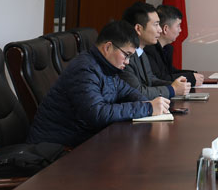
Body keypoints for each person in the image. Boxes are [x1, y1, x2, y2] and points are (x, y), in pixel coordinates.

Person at [28, 20, 169, 147]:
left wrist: (147, 103)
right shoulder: (84, 69)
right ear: (108, 47)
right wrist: (147, 108)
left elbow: (127, 91)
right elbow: (97, 113)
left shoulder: (107, 67)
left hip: (81, 139)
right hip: (56, 147)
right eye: (126, 55)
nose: (127, 62)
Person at [119, 2, 191, 98]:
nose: (160, 30)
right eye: (156, 25)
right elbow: (137, 93)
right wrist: (172, 89)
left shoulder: (141, 52)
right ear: (138, 28)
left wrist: (175, 85)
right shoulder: (124, 57)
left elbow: (150, 80)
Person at [147, 4, 204, 86]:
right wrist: (191, 77)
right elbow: (159, 79)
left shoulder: (167, 48)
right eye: (178, 26)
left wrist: (193, 74)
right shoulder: (149, 50)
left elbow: (170, 72)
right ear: (165, 29)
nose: (180, 30)